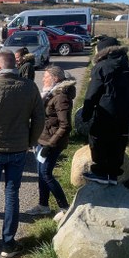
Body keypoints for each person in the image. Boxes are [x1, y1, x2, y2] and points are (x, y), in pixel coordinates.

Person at [0, 51, 44, 258]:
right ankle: (8, 242)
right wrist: (30, 141)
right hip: (18, 148)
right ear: (15, 65)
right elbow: (40, 119)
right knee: (12, 193)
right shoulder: (30, 87)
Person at [82, 37, 129, 185]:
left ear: (103, 51)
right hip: (125, 115)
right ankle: (113, 175)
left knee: (98, 140)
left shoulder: (102, 67)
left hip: (105, 114)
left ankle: (100, 172)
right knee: (118, 143)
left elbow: (93, 93)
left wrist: (86, 114)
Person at [25, 66, 76, 220]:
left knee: (46, 174)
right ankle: (43, 205)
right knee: (41, 174)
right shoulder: (50, 94)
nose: (43, 79)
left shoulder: (61, 97)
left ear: (55, 78)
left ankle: (65, 207)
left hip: (52, 142)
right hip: (42, 139)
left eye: (46, 76)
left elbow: (65, 125)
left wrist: (49, 145)